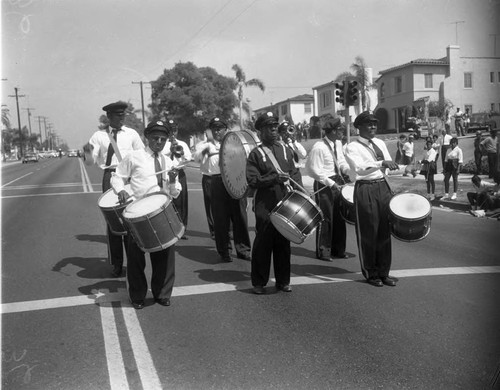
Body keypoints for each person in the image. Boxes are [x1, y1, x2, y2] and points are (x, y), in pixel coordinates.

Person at [111, 120, 181, 309]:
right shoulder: (134, 157)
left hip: (162, 212)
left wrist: (173, 182)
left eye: (163, 139)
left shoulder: (169, 160)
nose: (159, 142)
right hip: (138, 213)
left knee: (165, 257)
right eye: (155, 138)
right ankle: (137, 296)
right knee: (136, 259)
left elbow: (175, 193)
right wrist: (120, 191)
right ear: (147, 137)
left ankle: (162, 293)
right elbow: (117, 176)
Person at [86, 101, 144, 277]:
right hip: (110, 177)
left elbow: (141, 156)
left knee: (132, 219)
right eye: (118, 116)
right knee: (114, 223)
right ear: (109, 117)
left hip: (130, 177)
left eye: (123, 115)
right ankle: (117, 264)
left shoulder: (132, 134)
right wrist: (85, 151)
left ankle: (134, 261)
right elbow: (90, 160)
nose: (122, 119)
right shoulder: (98, 136)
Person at [246, 112, 302, 294]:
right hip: (265, 203)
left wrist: (299, 189)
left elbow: (294, 172)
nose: (273, 129)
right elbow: (253, 180)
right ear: (261, 131)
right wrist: (273, 178)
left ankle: (283, 281)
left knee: (283, 242)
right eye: (269, 127)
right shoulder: (256, 154)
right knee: (263, 242)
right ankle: (259, 282)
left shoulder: (285, 149)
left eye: (275, 126)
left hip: (285, 201)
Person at [345, 112, 399, 287]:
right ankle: (371, 272)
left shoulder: (381, 143)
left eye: (375, 124)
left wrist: (398, 168)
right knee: (369, 232)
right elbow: (359, 169)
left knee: (384, 231)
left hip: (382, 186)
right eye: (369, 124)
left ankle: (384, 272)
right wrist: (381, 164)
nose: (373, 127)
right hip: (365, 188)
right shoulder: (352, 147)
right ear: (359, 127)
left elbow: (388, 164)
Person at [193, 117, 251, 262]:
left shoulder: (235, 141)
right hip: (217, 180)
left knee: (240, 216)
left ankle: (243, 249)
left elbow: (247, 157)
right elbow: (196, 159)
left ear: (226, 129)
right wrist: (205, 150)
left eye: (220, 128)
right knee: (220, 218)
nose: (217, 131)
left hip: (235, 180)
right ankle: (224, 251)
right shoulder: (205, 145)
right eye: (214, 129)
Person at [305, 117, 351, 261]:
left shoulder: (338, 144)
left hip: (337, 180)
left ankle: (339, 250)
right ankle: (324, 250)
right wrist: (330, 183)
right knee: (326, 217)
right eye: (340, 130)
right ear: (331, 131)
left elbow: (341, 161)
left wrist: (347, 170)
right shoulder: (319, 147)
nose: (342, 132)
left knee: (339, 216)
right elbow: (313, 170)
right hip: (324, 183)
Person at [163, 119, 192, 239]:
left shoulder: (183, 143)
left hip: (179, 174)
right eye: (170, 130)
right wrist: (169, 150)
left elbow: (189, 158)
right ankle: (169, 229)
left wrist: (182, 151)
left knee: (181, 202)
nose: (172, 133)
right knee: (168, 202)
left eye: (174, 130)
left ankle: (181, 228)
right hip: (166, 174)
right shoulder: (162, 143)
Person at [278, 121, 306, 186]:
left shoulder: (294, 144)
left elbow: (303, 155)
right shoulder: (279, 146)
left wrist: (294, 142)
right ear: (280, 134)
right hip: (285, 173)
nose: (287, 134)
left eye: (289, 131)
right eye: (284, 132)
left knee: (299, 193)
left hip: (296, 173)